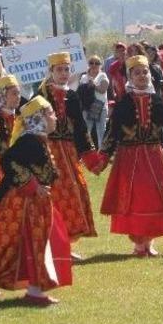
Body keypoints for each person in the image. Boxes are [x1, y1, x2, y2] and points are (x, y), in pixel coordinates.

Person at [94, 55, 163, 256]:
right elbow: (111, 134)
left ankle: (149, 243)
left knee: (155, 199)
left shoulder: (158, 102)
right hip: (129, 160)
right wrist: (100, 160)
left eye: (145, 72)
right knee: (135, 201)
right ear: (130, 77)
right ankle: (138, 244)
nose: (142, 76)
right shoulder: (123, 104)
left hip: (154, 159)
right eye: (137, 73)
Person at [0, 96, 73, 305]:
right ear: (38, 118)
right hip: (26, 203)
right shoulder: (30, 141)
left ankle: (34, 288)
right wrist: (31, 184)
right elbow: (8, 161)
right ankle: (33, 290)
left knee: (36, 243)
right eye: (50, 113)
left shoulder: (37, 139)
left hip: (34, 202)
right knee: (32, 243)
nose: (54, 117)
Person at [33, 52, 106, 254]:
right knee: (55, 196)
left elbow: (81, 129)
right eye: (59, 70)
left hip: (69, 153)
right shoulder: (40, 97)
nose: (64, 74)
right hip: (48, 153)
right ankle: (52, 244)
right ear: (51, 72)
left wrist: (92, 159)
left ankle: (66, 244)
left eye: (66, 69)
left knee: (74, 195)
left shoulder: (72, 96)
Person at [79, 56, 110, 149]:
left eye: (97, 63)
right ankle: (86, 150)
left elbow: (103, 90)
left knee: (101, 131)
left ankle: (102, 152)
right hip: (87, 106)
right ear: (88, 64)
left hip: (99, 106)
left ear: (101, 65)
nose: (94, 65)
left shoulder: (102, 76)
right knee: (86, 130)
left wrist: (94, 85)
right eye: (91, 63)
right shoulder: (84, 77)